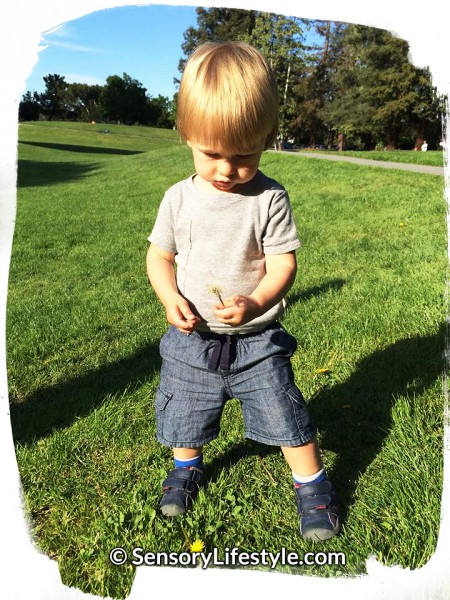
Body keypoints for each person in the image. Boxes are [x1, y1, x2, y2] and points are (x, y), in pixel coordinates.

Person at [146, 41, 340, 542]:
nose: (228, 169)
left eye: (245, 155)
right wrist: (170, 298)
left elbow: (283, 263)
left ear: (268, 138)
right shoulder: (178, 199)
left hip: (257, 341)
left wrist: (255, 301)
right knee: (185, 409)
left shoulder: (269, 198)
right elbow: (159, 257)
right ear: (185, 132)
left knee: (285, 409)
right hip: (191, 339)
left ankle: (312, 484)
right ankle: (186, 467)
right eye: (212, 154)